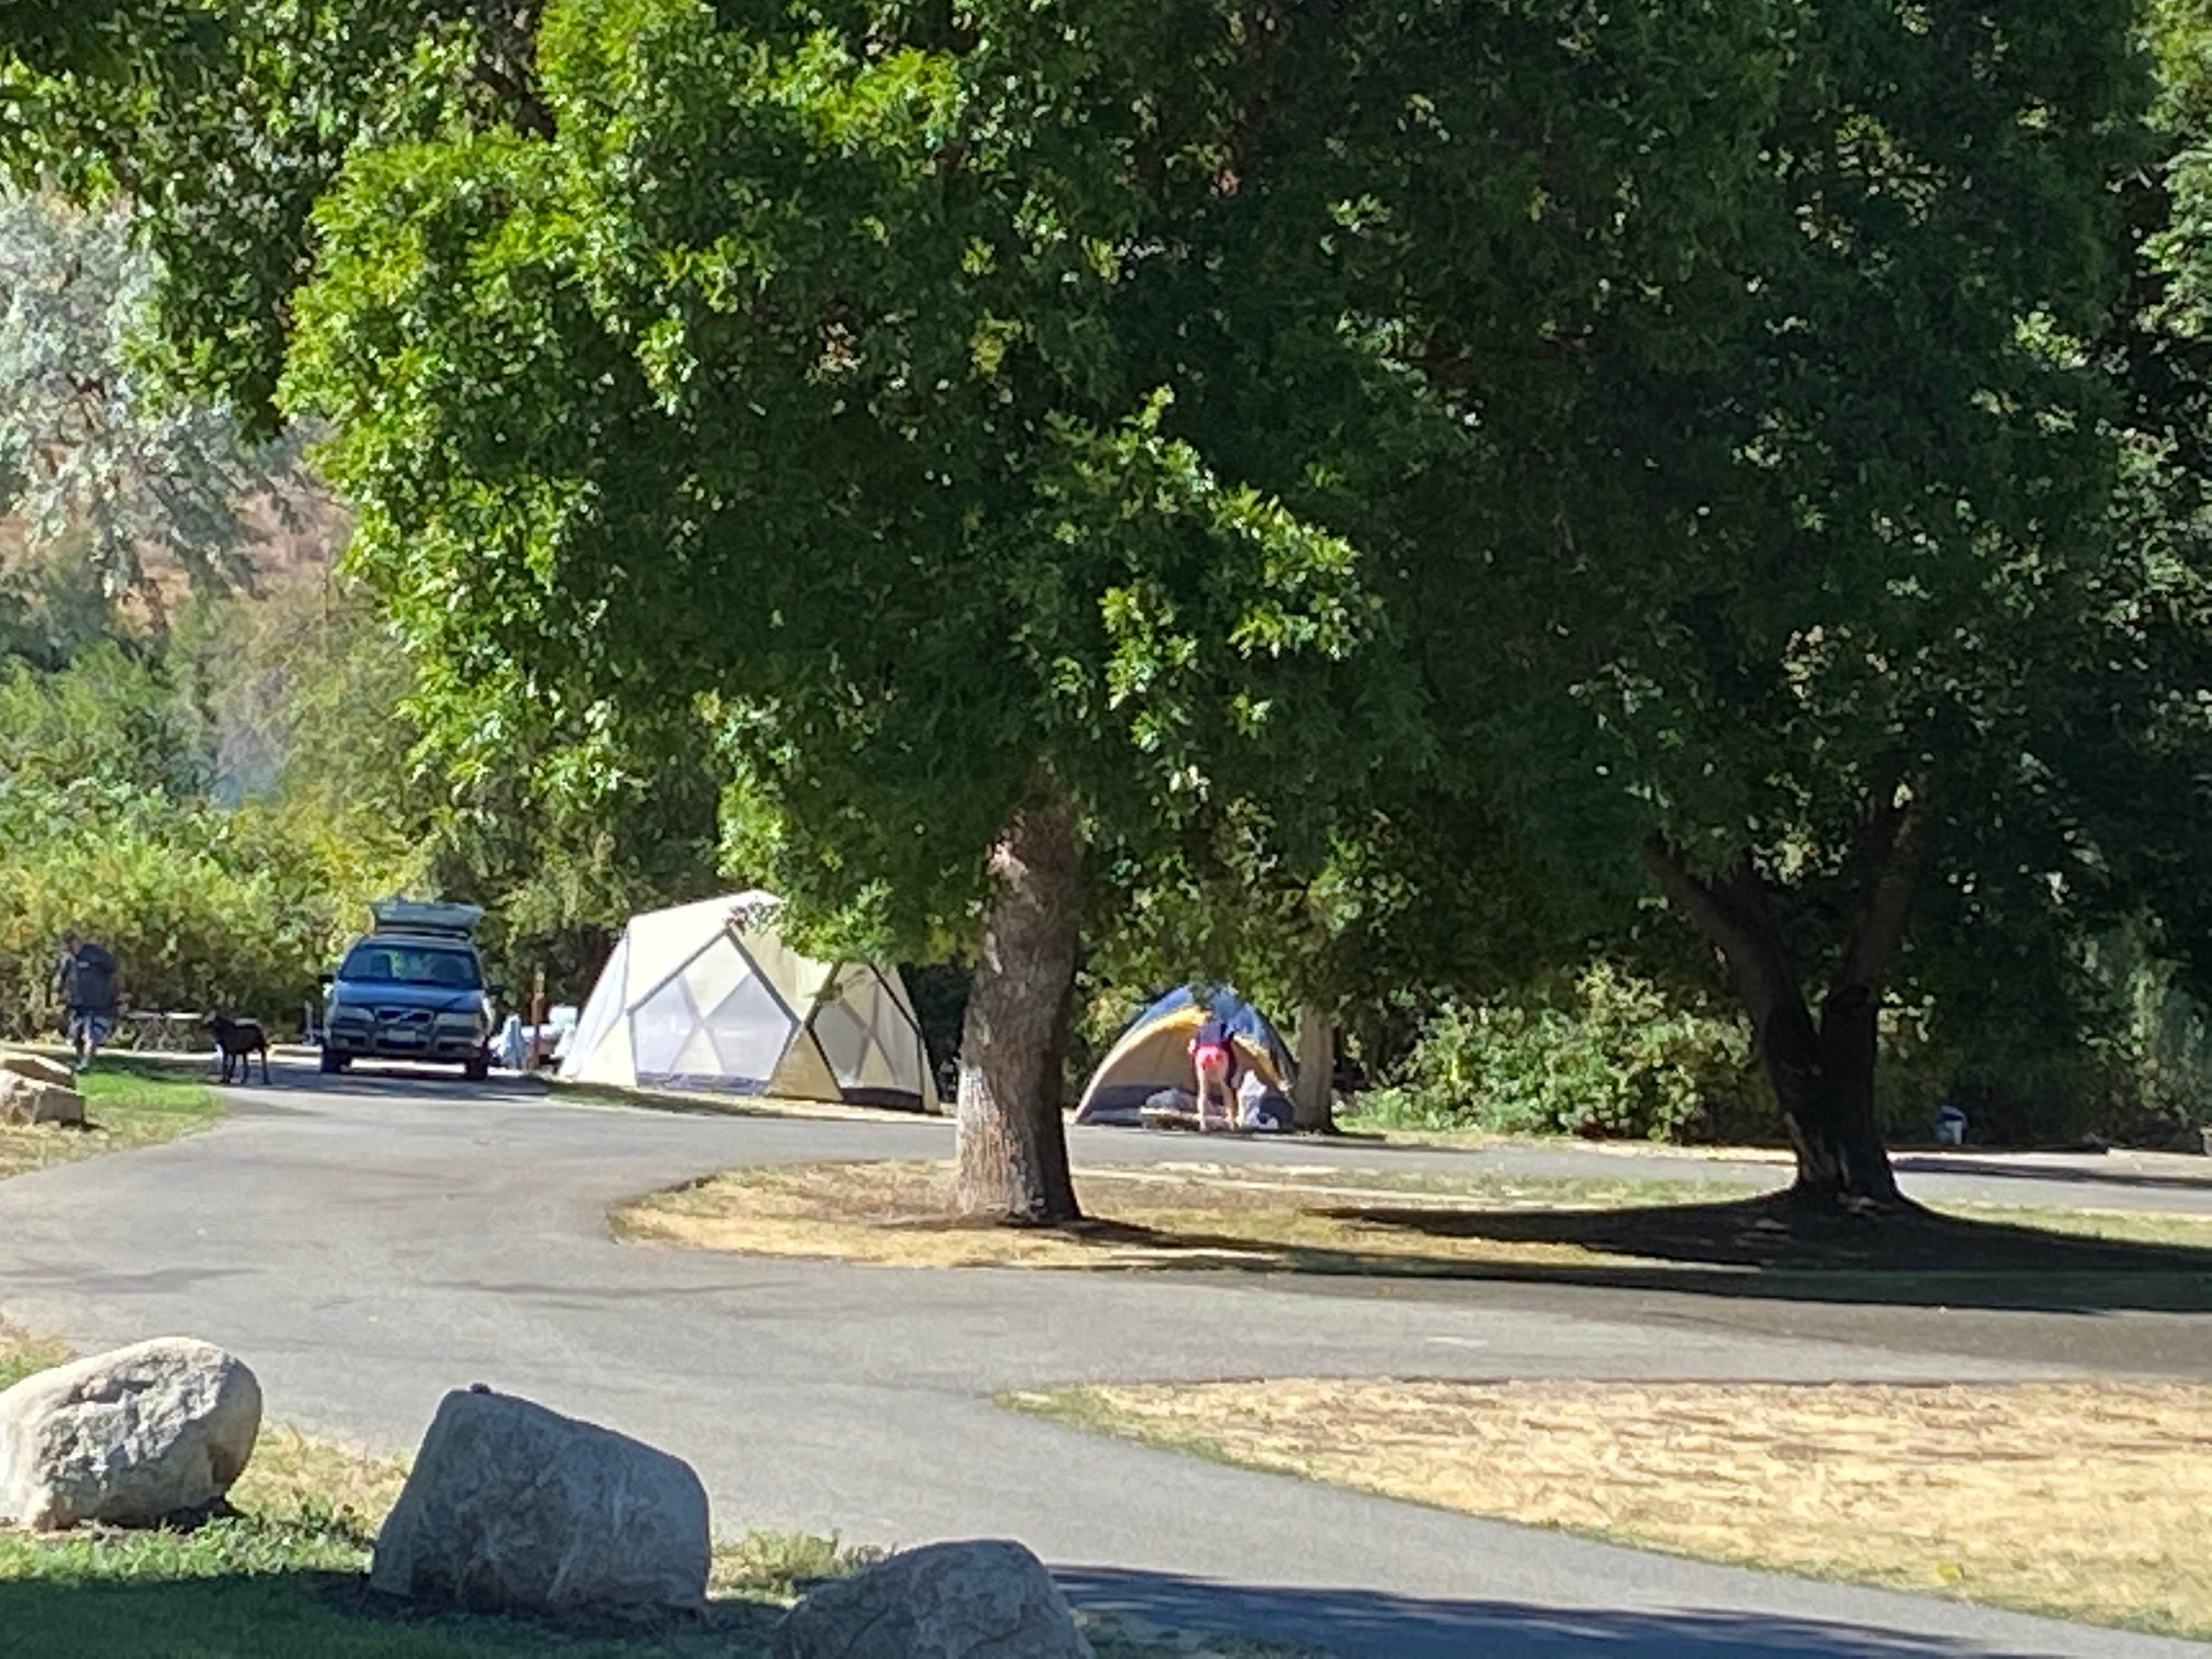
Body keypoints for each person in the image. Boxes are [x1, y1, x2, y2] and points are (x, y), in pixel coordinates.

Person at [53, 929, 119, 1072]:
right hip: (78, 1004)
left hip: (98, 1003)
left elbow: (113, 970)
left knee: (91, 1035)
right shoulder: (69, 960)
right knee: (76, 1035)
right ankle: (81, 1060)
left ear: (77, 941)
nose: (70, 949)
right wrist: (58, 996)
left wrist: (117, 995)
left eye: (71, 945)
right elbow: (61, 979)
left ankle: (86, 1063)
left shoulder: (96, 954)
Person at [1188, 1012, 1240, 1132]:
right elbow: (1229, 1040)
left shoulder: (1200, 1025)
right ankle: (1231, 1120)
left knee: (1203, 1089)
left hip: (1202, 1053)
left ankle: (1203, 1121)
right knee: (1225, 1086)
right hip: (1218, 1052)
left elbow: (1192, 1046)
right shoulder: (1224, 1024)